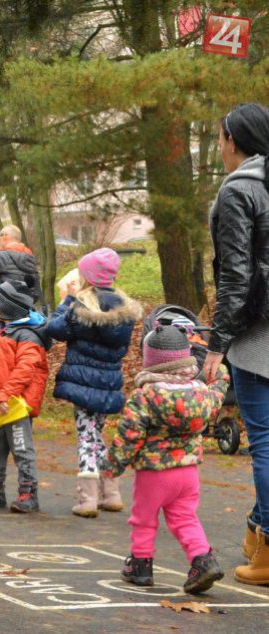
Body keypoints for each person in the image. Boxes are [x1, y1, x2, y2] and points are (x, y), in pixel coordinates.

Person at [106, 325, 229, 594]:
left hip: (154, 472)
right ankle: (203, 560)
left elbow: (130, 434)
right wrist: (219, 368)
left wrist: (113, 465)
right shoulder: (201, 392)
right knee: (185, 518)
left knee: (143, 518)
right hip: (187, 472)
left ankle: (140, 565)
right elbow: (219, 390)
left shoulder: (146, 395)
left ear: (150, 360)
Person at [202, 102, 269, 586]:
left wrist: (217, 343)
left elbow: (236, 276)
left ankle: (266, 551)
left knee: (263, 442)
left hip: (257, 335)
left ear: (233, 141)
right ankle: (255, 531)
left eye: (221, 138)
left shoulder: (239, 189)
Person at [45, 248, 142, 518]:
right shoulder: (123, 307)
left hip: (82, 382)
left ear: (87, 277)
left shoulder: (82, 305)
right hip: (109, 382)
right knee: (96, 434)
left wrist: (66, 299)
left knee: (87, 436)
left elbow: (55, 329)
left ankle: (87, 499)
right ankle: (110, 493)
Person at [0, 281, 50, 513]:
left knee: (22, 450)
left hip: (15, 406)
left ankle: (28, 493)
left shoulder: (28, 336)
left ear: (7, 307)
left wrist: (7, 395)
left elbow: (25, 369)